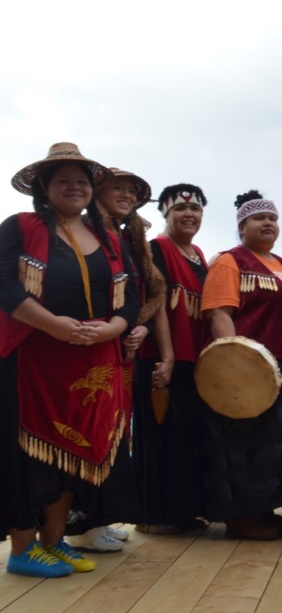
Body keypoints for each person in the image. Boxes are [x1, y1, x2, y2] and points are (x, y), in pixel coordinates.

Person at [1, 143, 139, 577]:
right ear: (44, 187)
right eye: (63, 180)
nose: (74, 187)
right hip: (32, 357)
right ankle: (22, 549)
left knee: (70, 452)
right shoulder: (19, 227)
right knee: (28, 453)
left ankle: (54, 541)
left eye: (81, 181)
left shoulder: (108, 237)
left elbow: (131, 297)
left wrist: (114, 328)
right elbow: (5, 287)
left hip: (92, 361)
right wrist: (53, 325)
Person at [201, 190, 282, 540]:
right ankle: (242, 516)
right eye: (259, 219)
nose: (268, 224)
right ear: (242, 226)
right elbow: (219, 312)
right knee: (254, 436)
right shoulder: (231, 261)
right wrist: (231, 362)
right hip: (258, 366)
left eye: (273, 219)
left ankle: (266, 509)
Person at [67, 167, 168, 552]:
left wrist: (137, 325)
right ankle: (81, 523)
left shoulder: (127, 238)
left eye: (132, 190)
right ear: (98, 193)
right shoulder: (89, 233)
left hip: (122, 346)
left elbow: (140, 293)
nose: (126, 195)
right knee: (90, 429)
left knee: (116, 431)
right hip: (95, 341)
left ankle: (100, 517)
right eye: (117, 189)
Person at [135, 183, 210, 534]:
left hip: (193, 360)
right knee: (159, 434)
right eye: (180, 210)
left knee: (186, 435)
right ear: (165, 212)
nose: (189, 215)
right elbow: (156, 306)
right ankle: (153, 514)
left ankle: (182, 510)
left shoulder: (198, 255)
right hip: (165, 358)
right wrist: (165, 357)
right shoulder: (157, 249)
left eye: (195, 210)